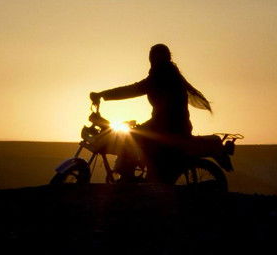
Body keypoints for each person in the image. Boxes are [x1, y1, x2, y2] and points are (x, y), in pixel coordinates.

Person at [89, 44, 211, 183]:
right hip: (166, 125)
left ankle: (127, 178)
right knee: (135, 134)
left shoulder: (162, 76)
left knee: (130, 137)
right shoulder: (169, 74)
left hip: (169, 127)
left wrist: (103, 94)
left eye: (153, 57)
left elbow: (134, 89)